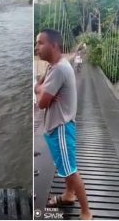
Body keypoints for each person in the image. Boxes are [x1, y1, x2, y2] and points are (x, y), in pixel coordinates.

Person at [34, 28, 92, 220]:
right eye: (36, 43)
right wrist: (40, 89)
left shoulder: (59, 69)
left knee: (71, 170)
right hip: (56, 126)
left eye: (40, 43)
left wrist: (40, 90)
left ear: (54, 45)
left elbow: (41, 103)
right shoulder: (54, 65)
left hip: (60, 127)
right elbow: (38, 88)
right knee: (65, 167)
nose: (36, 48)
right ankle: (68, 195)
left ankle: (86, 213)